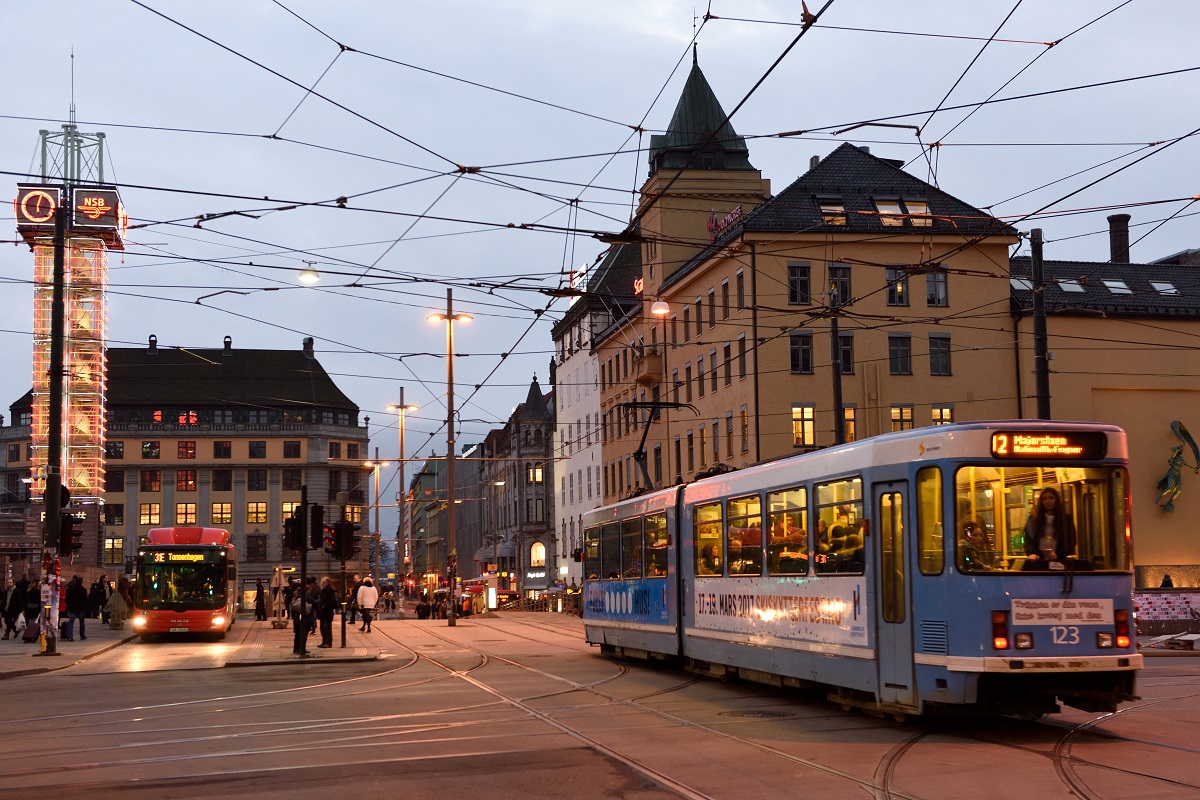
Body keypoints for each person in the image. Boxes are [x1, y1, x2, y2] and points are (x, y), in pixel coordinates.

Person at [1024, 487, 1076, 562]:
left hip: (1059, 559)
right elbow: (1028, 539)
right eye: (1044, 499)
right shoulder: (1033, 519)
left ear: (1056, 500)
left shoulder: (1066, 519)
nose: (1048, 501)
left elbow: (1071, 541)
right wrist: (1031, 553)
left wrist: (1059, 554)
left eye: (1051, 498)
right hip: (1038, 558)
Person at [65, 575, 89, 641]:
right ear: (81, 582)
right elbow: (85, 600)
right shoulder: (83, 590)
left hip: (72, 608)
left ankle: (70, 636)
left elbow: (67, 599)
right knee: (81, 622)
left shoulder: (70, 589)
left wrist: (69, 607)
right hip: (81, 609)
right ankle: (82, 635)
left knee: (71, 622)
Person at [317, 577, 339, 648]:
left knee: (327, 628)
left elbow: (332, 600)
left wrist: (324, 606)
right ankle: (324, 642)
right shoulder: (323, 590)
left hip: (327, 611)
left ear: (328, 583)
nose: (322, 583)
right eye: (322, 582)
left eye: (324, 582)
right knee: (322, 628)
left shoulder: (330, 590)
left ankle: (328, 643)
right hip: (322, 612)